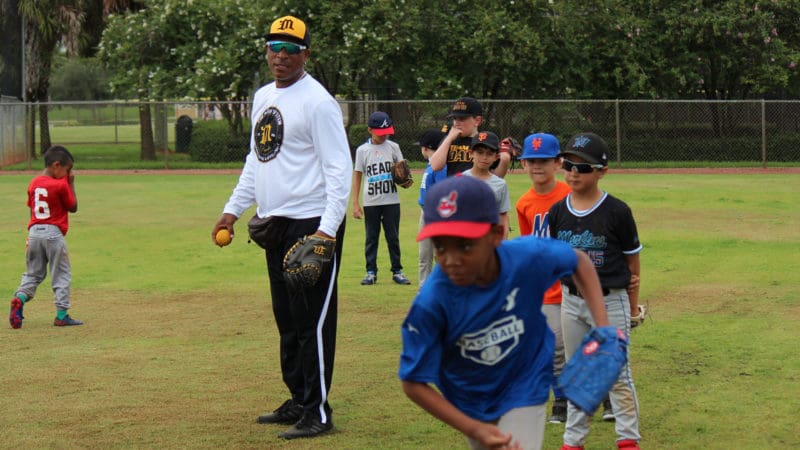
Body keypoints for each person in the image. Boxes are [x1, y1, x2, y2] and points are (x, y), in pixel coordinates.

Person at [211, 15, 352, 440]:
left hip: (312, 225)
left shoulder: (319, 102)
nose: (281, 55)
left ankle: (319, 412)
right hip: (274, 223)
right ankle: (298, 399)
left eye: (291, 48)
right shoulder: (262, 97)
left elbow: (339, 170)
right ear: (266, 50)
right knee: (288, 320)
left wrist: (326, 232)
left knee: (313, 321)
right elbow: (258, 158)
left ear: (306, 54)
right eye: (275, 46)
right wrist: (232, 210)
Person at [399, 175, 614, 450]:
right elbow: (412, 382)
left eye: (465, 245)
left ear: (496, 234)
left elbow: (579, 261)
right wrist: (474, 427)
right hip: (470, 398)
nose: (451, 260)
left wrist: (603, 327)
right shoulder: (431, 303)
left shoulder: (527, 258)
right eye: (440, 246)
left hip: (525, 379)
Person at [548, 132, 642, 450]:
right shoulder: (558, 212)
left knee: (617, 373)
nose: (574, 172)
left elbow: (633, 263)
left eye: (583, 167)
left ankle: (627, 439)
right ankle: (573, 441)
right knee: (577, 373)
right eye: (569, 164)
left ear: (601, 171)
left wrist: (632, 308)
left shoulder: (617, 211)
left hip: (610, 300)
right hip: (571, 302)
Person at [514, 132, 570, 423]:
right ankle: (561, 401)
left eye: (544, 161)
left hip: (573, 284)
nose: (538, 167)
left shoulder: (569, 195)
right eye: (532, 161)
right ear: (523, 164)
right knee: (553, 347)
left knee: (584, 343)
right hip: (546, 288)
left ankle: (607, 396)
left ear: (558, 163)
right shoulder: (524, 203)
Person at [9, 145, 82, 329]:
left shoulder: (34, 183)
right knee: (61, 274)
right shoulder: (60, 184)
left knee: (33, 273)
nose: (69, 173)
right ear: (56, 166)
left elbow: (32, 210)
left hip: (34, 232)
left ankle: (20, 297)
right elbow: (73, 207)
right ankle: (61, 315)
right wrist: (71, 183)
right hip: (53, 234)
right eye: (68, 169)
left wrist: (30, 235)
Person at [351, 111, 411, 285]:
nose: (384, 135)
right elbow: (357, 175)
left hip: (391, 200)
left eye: (387, 132)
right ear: (370, 130)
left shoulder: (393, 147)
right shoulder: (362, 150)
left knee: (393, 237)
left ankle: (397, 270)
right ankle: (371, 272)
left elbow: (402, 171)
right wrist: (355, 203)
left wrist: (404, 179)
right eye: (380, 133)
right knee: (371, 237)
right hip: (371, 202)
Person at [429, 97, 511, 178]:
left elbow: (495, 178)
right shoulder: (449, 141)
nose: (456, 123)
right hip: (454, 189)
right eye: (455, 118)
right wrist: (449, 138)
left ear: (477, 121)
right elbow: (435, 166)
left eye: (462, 119)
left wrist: (504, 160)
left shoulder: (485, 142)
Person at [461, 131, 511, 239]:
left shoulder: (500, 184)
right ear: (471, 153)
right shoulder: (460, 180)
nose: (484, 157)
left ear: (496, 157)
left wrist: (503, 241)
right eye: (480, 152)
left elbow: (502, 215)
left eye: (489, 154)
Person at [415, 129, 447, 288]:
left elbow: (442, 193)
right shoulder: (431, 165)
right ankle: (424, 291)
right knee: (424, 255)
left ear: (426, 148)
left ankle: (441, 290)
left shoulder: (439, 167)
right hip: (425, 213)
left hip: (435, 216)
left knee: (437, 255)